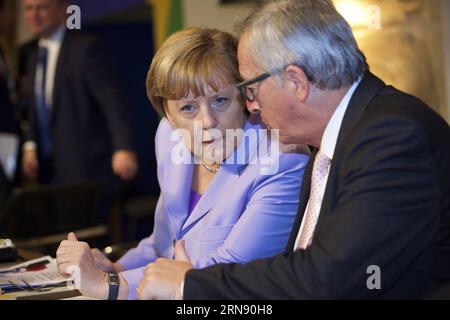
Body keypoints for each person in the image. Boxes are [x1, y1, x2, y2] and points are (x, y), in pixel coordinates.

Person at [135, 0, 450, 300]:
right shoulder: (331, 144)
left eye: (250, 89)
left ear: (296, 81)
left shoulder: (391, 137)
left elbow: (326, 280)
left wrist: (189, 286)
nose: (251, 106)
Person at [55, 27, 310, 300]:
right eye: (188, 108)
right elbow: (162, 245)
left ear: (245, 99)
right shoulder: (170, 138)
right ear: (168, 115)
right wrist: (117, 267)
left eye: (220, 100)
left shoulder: (282, 160)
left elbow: (223, 274)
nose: (207, 122)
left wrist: (111, 284)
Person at [20, 0, 138, 190]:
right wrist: (30, 145)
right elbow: (36, 110)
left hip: (85, 169)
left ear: (64, 10)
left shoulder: (85, 49)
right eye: (28, 8)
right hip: (48, 172)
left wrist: (123, 148)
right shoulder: (33, 56)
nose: (34, 15)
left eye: (42, 8)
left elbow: (113, 102)